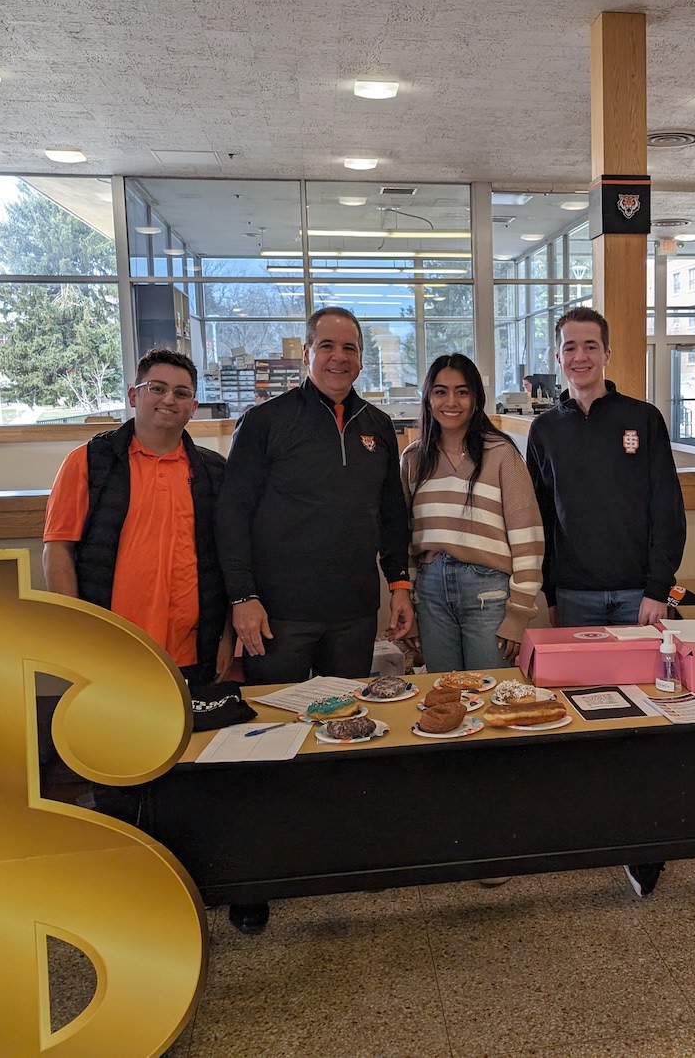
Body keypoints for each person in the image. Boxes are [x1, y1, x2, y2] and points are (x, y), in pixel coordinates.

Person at [215, 307, 413, 934]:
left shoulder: (379, 427)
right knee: (268, 737)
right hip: (277, 615)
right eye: (326, 346)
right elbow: (233, 514)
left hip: (352, 614)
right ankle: (258, 872)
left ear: (361, 356)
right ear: (306, 352)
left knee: (344, 731)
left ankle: (332, 848)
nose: (339, 358)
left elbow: (391, 520)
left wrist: (400, 582)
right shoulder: (267, 422)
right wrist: (242, 596)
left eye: (350, 348)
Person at [525, 306, 686, 899]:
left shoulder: (642, 419)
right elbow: (539, 519)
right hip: (576, 597)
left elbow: (667, 511)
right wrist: (548, 594)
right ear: (557, 356)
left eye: (590, 345)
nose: (580, 357)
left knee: (645, 719)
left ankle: (645, 842)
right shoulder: (544, 431)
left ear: (608, 353)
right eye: (570, 347)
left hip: (637, 601)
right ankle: (594, 822)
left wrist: (656, 590)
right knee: (582, 714)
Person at [43, 348, 229, 683]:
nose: (169, 399)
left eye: (181, 393)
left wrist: (227, 637)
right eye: (157, 388)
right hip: (110, 645)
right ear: (133, 395)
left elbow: (228, 558)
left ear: (193, 407)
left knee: (196, 734)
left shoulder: (214, 471)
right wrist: (72, 627)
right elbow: (58, 547)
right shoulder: (87, 462)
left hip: (193, 648)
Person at [402, 353, 544, 672]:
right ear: (427, 398)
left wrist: (519, 613)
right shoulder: (413, 460)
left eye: (462, 391)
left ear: (476, 399)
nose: (451, 401)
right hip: (431, 593)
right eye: (440, 391)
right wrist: (409, 605)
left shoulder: (502, 455)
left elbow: (528, 541)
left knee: (491, 696)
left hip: (489, 592)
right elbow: (406, 542)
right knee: (444, 694)